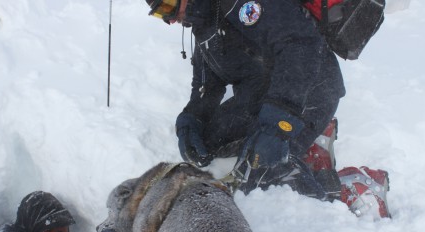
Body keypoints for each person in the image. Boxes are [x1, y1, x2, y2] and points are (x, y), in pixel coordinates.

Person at [144, 0, 390, 218]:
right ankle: (310, 149)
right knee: (210, 149)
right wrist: (191, 122)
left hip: (308, 92)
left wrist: (279, 125)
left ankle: (346, 197)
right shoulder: (205, 22)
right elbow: (207, 85)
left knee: (263, 176)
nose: (170, 19)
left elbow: (301, 45)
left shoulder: (240, 4)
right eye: (160, 14)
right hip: (263, 98)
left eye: (167, 6)